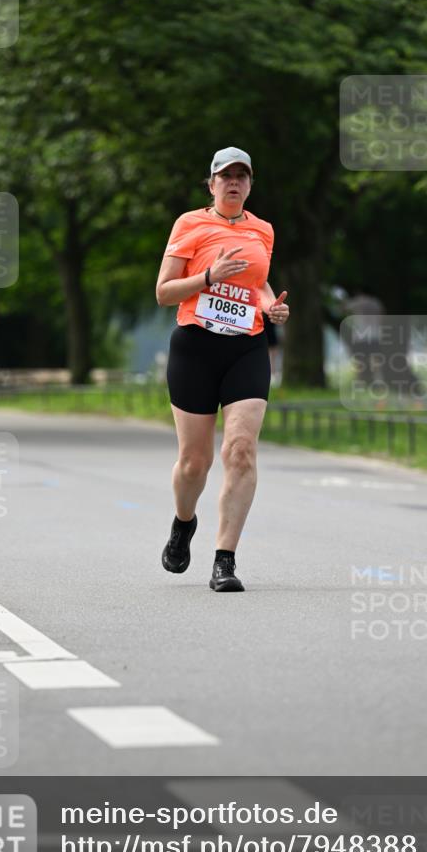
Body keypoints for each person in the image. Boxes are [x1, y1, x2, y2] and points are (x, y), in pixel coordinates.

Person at [156, 146, 289, 592]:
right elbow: (164, 292)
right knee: (195, 463)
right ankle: (183, 522)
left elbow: (259, 284)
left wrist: (272, 307)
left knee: (241, 450)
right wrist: (208, 277)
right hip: (195, 347)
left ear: (250, 184)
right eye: (225, 176)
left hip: (247, 348)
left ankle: (224, 560)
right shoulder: (190, 224)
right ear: (211, 183)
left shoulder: (263, 230)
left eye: (242, 176)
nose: (234, 182)